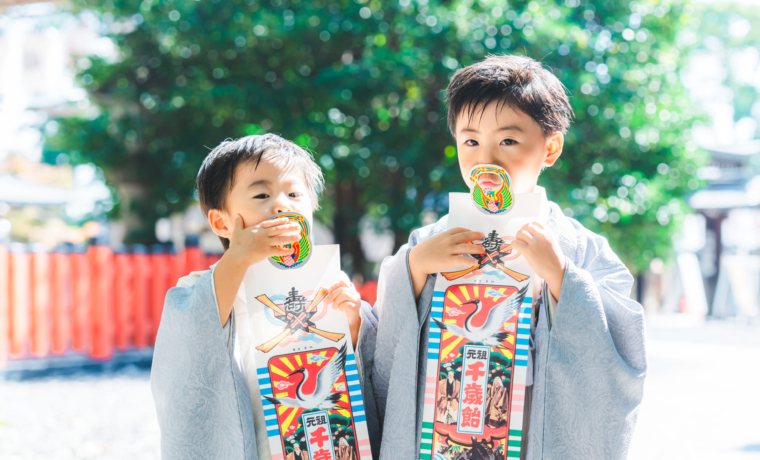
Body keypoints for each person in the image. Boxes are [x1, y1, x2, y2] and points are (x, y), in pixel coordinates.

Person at [356, 55, 647, 459]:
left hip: (533, 439)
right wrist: (413, 268)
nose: (486, 159)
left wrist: (563, 277)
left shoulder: (580, 248)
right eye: (470, 141)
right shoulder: (430, 241)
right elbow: (387, 350)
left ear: (551, 148)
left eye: (508, 141)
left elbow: (622, 350)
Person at [151, 134, 368, 460]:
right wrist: (239, 257)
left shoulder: (327, 281)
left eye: (295, 193)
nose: (282, 204)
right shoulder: (208, 286)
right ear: (221, 221)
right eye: (262, 194)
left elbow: (353, 366)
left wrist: (353, 322)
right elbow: (193, 334)